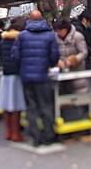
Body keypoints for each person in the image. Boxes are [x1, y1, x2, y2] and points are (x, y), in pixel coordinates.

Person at [12, 9, 60, 147]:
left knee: (31, 108)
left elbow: (15, 56)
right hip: (43, 76)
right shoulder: (50, 35)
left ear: (30, 20)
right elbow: (54, 56)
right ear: (42, 19)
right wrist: (49, 65)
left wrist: (22, 68)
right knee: (45, 106)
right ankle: (49, 135)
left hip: (26, 77)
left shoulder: (22, 36)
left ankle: (35, 137)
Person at [0, 17, 26, 142]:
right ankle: (16, 133)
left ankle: (8, 132)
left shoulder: (3, 39)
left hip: (5, 74)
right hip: (16, 74)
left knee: (7, 106)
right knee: (16, 106)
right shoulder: (19, 39)